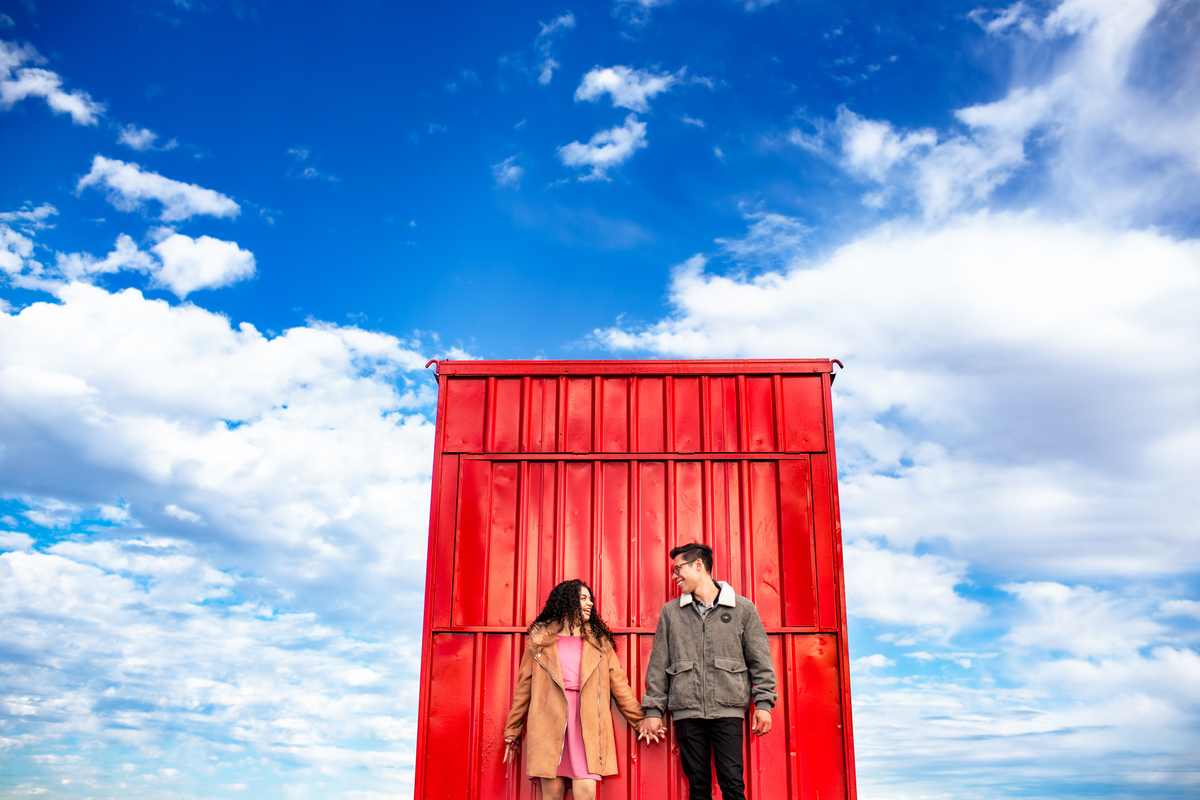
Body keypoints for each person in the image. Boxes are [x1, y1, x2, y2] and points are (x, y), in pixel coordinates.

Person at [636, 542, 778, 800]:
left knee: (732, 785)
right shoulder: (671, 613)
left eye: (678, 568)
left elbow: (761, 661)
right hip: (687, 710)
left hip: (728, 708)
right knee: (698, 788)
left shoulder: (742, 609)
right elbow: (658, 665)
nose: (675, 575)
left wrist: (764, 704)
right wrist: (653, 711)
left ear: (698, 565)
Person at [503, 579, 645, 800]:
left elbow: (619, 685)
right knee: (552, 794)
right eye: (583, 598)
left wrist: (641, 720)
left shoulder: (599, 642)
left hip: (586, 720)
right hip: (549, 721)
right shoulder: (540, 642)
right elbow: (524, 688)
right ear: (567, 602)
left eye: (591, 599)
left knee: (587, 792)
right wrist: (512, 731)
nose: (590, 603)